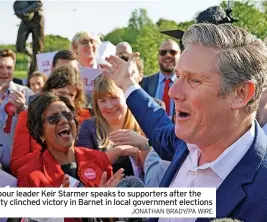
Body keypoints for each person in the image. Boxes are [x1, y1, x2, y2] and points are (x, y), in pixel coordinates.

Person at [104, 23, 267, 221]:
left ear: (241, 94)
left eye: (194, 80)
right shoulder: (187, 140)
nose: (173, 92)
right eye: (178, 76)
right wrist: (128, 84)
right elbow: (157, 124)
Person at [17, 92, 123, 188]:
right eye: (53, 118)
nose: (63, 120)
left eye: (67, 115)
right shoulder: (29, 175)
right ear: (41, 134)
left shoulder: (100, 159)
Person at [11, 66, 88, 176]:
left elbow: (90, 158)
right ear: (49, 91)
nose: (66, 99)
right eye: (61, 93)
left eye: (71, 95)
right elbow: (16, 166)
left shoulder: (84, 117)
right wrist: (49, 149)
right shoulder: (28, 116)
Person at [76, 75, 150, 176]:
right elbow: (87, 170)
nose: (109, 106)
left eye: (114, 98)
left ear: (126, 96)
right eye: (102, 101)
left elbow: (155, 167)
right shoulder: (89, 127)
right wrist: (120, 150)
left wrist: (144, 145)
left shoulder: (144, 122)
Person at [0, 49, 33, 172]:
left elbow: (39, 125)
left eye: (9, 67)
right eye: (0, 67)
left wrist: (23, 109)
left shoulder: (26, 93)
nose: (5, 72)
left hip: (21, 166)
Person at [139, 39, 181, 117]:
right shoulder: (144, 83)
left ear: (180, 55)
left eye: (173, 52)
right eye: (163, 52)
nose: (168, 56)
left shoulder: (187, 84)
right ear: (158, 55)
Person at [13, 0, 44, 75]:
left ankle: (32, 72)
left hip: (37, 19)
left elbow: (39, 3)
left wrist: (26, 11)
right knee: (19, 46)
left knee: (37, 49)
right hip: (25, 20)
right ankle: (31, 55)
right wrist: (20, 12)